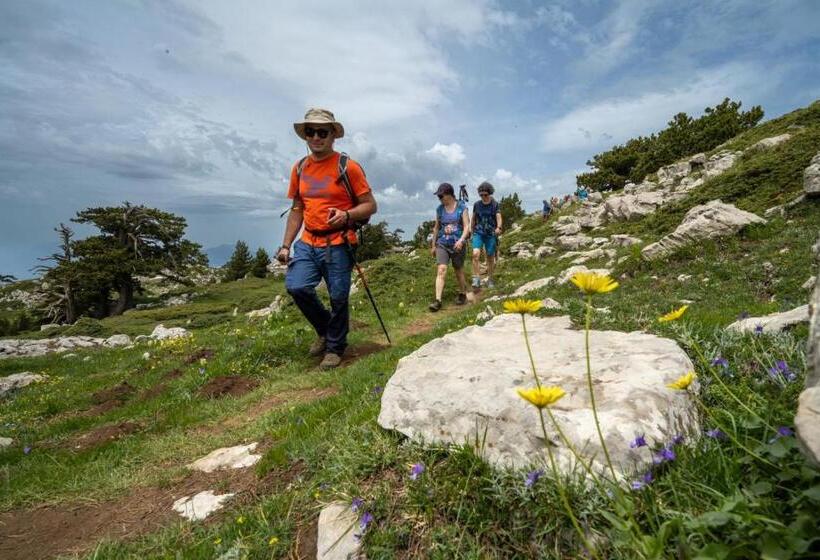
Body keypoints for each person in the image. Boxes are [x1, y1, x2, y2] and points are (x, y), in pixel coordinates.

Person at [276, 108, 377, 369]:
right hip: (308, 240)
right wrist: (286, 244)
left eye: (322, 132)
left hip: (339, 242)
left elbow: (370, 206)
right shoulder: (299, 168)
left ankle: (335, 347)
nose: (316, 137)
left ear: (333, 135)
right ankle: (325, 330)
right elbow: (298, 208)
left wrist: (346, 215)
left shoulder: (348, 167)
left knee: (339, 296)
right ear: (305, 136)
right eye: (311, 132)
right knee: (297, 286)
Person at [429, 182, 470, 312]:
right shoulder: (439, 209)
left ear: (449, 195)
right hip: (442, 243)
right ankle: (438, 300)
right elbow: (436, 228)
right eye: (438, 196)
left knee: (458, 270)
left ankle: (462, 293)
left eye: (441, 195)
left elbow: (466, 226)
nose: (439, 198)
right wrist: (433, 245)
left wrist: (461, 240)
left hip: (458, 244)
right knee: (441, 269)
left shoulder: (461, 207)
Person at [471, 182, 502, 289]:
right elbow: (473, 218)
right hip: (478, 233)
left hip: (490, 234)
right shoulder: (477, 205)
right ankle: (476, 279)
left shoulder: (495, 204)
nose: (483, 197)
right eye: (481, 195)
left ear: (490, 193)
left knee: (490, 257)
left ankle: (490, 279)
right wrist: (471, 231)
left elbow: (498, 217)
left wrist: (499, 227)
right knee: (475, 254)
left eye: (485, 195)